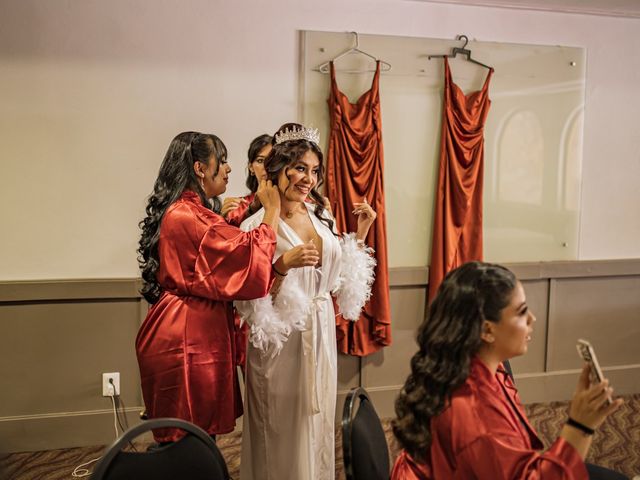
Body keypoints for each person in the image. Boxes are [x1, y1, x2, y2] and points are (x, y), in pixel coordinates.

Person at [392, 261, 626, 480]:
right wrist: (580, 425)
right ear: (487, 330)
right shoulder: (476, 417)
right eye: (522, 311)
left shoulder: (469, 367)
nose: (532, 318)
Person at [236, 123, 378, 480]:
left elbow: (340, 280)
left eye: (314, 171)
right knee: (281, 429)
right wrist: (282, 267)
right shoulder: (255, 226)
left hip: (320, 334)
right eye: (299, 168)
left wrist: (360, 233)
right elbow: (249, 304)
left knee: (316, 427)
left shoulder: (320, 217)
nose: (307, 178)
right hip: (281, 343)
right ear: (278, 169)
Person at [135, 131, 281, 443]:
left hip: (191, 328)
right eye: (223, 160)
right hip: (187, 335)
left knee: (197, 433)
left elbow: (223, 241)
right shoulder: (187, 213)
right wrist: (271, 213)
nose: (229, 169)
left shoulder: (191, 210)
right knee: (188, 436)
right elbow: (241, 253)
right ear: (200, 168)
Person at [222, 134, 272, 226]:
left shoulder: (297, 202)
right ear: (251, 167)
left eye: (272, 160)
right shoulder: (237, 208)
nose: (266, 166)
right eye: (260, 161)